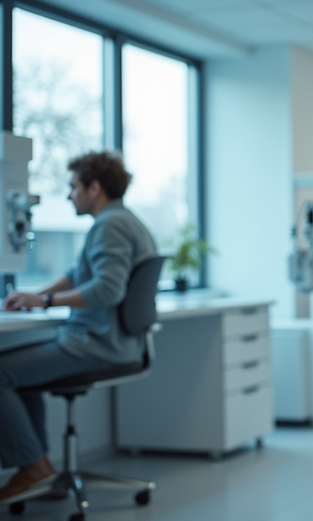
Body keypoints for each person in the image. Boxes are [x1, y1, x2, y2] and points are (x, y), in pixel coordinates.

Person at [0, 152, 156, 501]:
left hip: (96, 344)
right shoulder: (125, 221)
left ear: (94, 188)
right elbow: (76, 273)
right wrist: (36, 295)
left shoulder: (109, 226)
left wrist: (47, 302)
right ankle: (37, 468)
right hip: (116, 342)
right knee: (20, 375)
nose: (69, 195)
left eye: (73, 187)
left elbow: (108, 290)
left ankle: (34, 467)